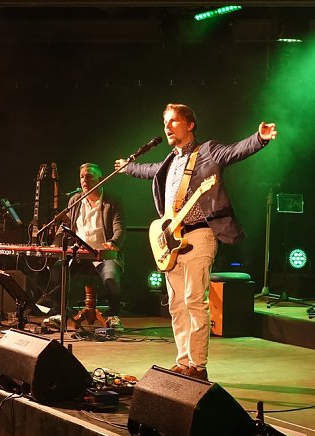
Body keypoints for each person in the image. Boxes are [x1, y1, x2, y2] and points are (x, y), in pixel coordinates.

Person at [114, 103, 276, 381]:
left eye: (174, 121)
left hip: (201, 233)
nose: (168, 126)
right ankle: (183, 361)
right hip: (171, 240)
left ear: (190, 125)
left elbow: (235, 151)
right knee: (176, 303)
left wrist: (259, 138)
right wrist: (129, 168)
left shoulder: (208, 151)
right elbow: (150, 170)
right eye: (165, 122)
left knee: (193, 300)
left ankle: (198, 367)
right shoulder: (170, 160)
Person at [52, 162, 125, 325]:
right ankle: (60, 314)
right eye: (82, 177)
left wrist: (113, 242)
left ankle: (114, 316)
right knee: (58, 270)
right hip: (79, 255)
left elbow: (119, 228)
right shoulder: (75, 200)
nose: (85, 180)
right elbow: (64, 227)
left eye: (89, 176)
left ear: (101, 179)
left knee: (111, 278)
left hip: (104, 255)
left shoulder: (112, 200)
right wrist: (55, 244)